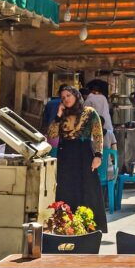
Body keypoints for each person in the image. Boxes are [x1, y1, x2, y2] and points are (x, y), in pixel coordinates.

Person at [47, 85, 107, 232]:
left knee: (87, 188)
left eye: (68, 95)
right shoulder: (62, 116)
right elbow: (52, 135)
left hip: (84, 154)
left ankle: (89, 226)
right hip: (66, 155)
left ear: (76, 95)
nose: (66, 99)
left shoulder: (89, 112)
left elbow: (98, 134)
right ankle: (66, 226)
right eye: (63, 97)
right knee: (66, 189)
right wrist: (58, 114)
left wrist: (98, 156)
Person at [85, 80, 116, 150]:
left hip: (97, 129)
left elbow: (84, 115)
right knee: (108, 150)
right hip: (108, 128)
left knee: (97, 150)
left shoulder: (89, 100)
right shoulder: (103, 98)